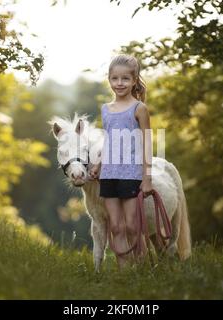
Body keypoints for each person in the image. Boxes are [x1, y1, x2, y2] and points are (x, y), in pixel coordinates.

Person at [88, 54, 154, 267]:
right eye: (115, 78)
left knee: (133, 227)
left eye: (125, 79)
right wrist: (98, 164)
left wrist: (147, 178)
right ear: (109, 79)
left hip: (132, 175)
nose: (119, 83)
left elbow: (147, 144)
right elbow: (110, 140)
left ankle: (140, 268)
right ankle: (124, 272)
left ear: (135, 80)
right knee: (115, 227)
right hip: (109, 174)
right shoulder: (106, 110)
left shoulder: (139, 109)